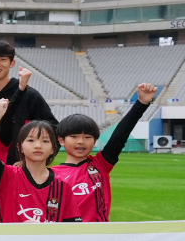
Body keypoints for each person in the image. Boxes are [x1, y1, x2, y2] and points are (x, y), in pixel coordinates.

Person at [53, 83, 157, 222]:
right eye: (74, 136)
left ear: (94, 142)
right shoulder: (52, 174)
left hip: (100, 233)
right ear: (61, 140)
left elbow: (120, 135)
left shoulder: (100, 164)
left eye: (87, 137)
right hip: (66, 234)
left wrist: (141, 104)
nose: (81, 141)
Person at [0, 97, 80, 223]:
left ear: (53, 149)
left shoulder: (62, 185)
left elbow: (72, 226)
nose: (38, 145)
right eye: (31, 140)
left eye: (45, 141)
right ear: (20, 147)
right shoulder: (7, 175)